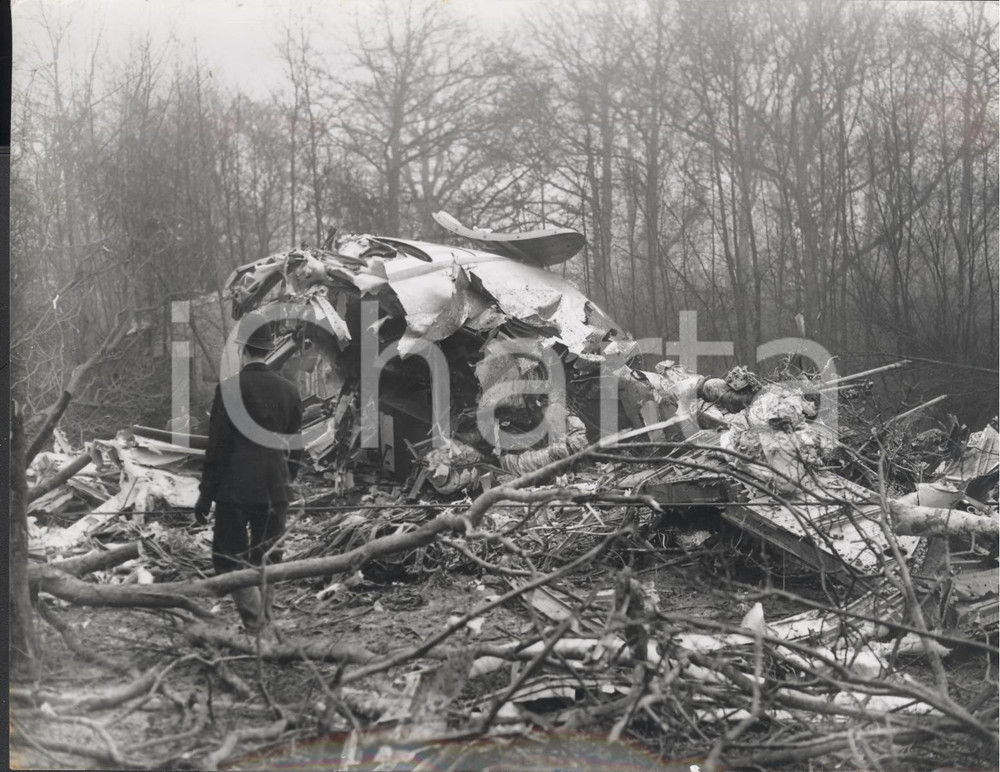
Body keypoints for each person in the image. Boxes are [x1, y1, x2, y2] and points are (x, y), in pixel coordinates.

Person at [195, 312, 303, 633]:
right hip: (275, 487)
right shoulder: (289, 391)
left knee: (227, 559)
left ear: (243, 349)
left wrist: (205, 498)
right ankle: (264, 624)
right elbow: (295, 449)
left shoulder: (229, 389)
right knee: (268, 558)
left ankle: (257, 625)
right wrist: (286, 480)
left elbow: (216, 449)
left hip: (235, 487)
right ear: (268, 349)